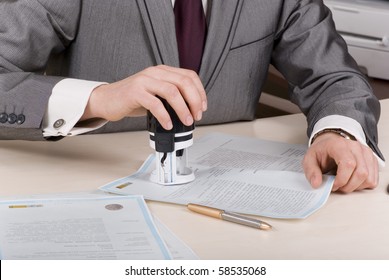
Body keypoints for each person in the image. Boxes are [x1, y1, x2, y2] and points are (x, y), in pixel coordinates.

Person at [0, 0, 384, 193]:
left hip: (233, 208)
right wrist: (100, 99)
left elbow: (334, 76)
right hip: (96, 193)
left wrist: (339, 133)